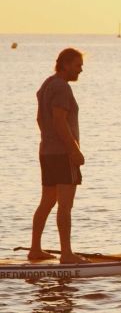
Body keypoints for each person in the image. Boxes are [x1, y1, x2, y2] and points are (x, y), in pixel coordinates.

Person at [28, 48, 88, 264]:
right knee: (65, 204)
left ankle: (35, 249)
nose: (81, 70)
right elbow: (59, 120)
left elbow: (40, 120)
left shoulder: (47, 85)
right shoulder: (61, 88)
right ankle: (67, 254)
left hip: (47, 152)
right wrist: (73, 149)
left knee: (47, 201)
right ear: (65, 65)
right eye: (77, 65)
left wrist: (49, 140)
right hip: (62, 154)